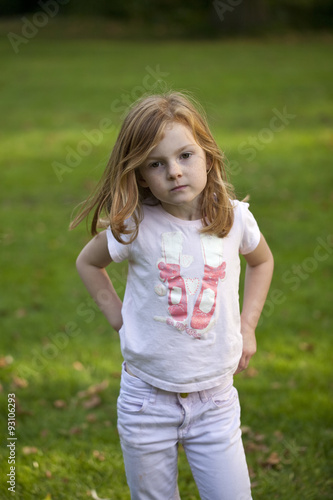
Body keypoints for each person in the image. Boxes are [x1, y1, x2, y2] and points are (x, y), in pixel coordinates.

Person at [70, 91, 274, 500]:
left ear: (208, 155)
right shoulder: (134, 226)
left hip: (215, 401)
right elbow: (87, 263)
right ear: (141, 174)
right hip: (146, 401)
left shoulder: (234, 220)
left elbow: (262, 262)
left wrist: (248, 326)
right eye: (157, 164)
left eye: (185, 156)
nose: (175, 172)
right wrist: (117, 316)